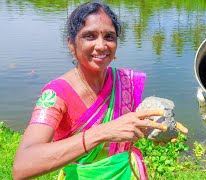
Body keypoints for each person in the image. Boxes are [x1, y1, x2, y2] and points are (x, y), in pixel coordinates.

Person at [13, 1, 184, 179]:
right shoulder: (56, 94)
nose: (101, 46)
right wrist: (103, 132)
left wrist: (155, 128)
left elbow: (122, 136)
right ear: (71, 44)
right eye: (90, 36)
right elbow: (23, 166)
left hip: (126, 173)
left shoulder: (124, 82)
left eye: (109, 36)